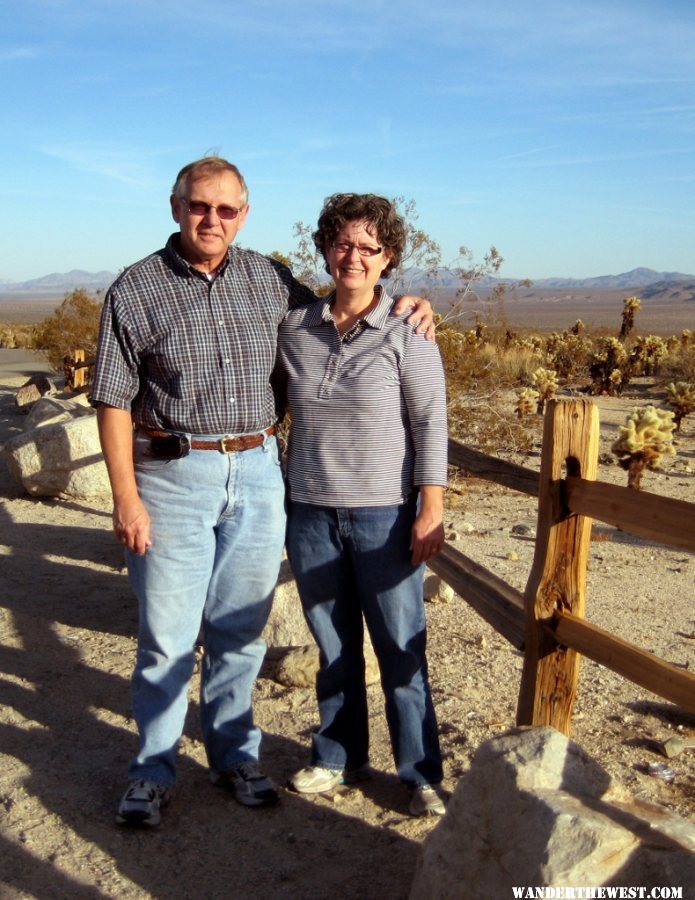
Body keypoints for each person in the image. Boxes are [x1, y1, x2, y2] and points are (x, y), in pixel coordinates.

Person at [90, 157, 434, 828]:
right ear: (174, 206)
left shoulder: (270, 281)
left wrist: (410, 305)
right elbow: (110, 398)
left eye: (226, 209)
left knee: (240, 632)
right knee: (167, 635)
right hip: (170, 474)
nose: (211, 219)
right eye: (198, 206)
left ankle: (234, 757)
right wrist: (124, 497)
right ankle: (153, 772)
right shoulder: (135, 289)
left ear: (243, 215)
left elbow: (349, 305)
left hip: (256, 470)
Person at [274, 193, 448, 817]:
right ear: (325, 248)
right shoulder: (295, 326)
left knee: (402, 644)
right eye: (343, 243)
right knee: (333, 643)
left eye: (368, 248)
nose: (354, 257)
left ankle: (421, 771)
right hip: (311, 508)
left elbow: (430, 421)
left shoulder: (408, 330)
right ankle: (337, 756)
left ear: (388, 258)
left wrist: (431, 506)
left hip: (384, 512)